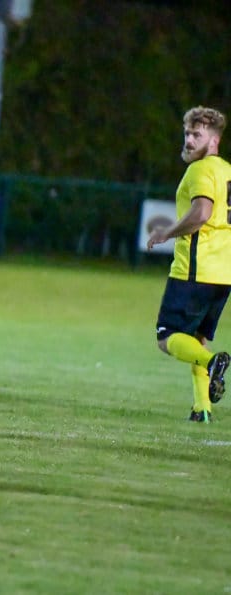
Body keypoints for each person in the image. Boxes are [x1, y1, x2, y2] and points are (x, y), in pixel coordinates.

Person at [147, 106, 231, 423]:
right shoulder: (227, 171)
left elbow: (201, 214)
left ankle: (212, 363)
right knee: (196, 338)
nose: (189, 140)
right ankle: (202, 409)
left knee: (167, 337)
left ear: (214, 140)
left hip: (197, 269)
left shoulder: (200, 170)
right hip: (223, 272)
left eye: (197, 134)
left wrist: (166, 232)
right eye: (187, 133)